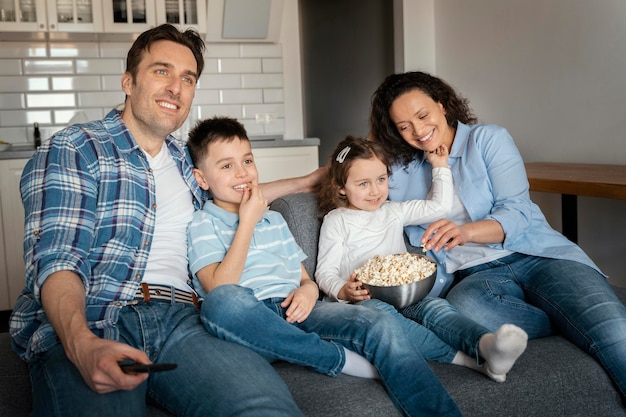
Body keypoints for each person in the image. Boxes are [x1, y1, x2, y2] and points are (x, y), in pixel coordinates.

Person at [9, 23, 323, 417]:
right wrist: (80, 342)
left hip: (186, 321)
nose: (176, 87)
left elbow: (234, 190)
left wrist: (305, 181)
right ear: (128, 81)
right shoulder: (76, 148)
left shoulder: (183, 159)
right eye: (161, 71)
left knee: (267, 409)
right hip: (99, 316)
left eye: (187, 78)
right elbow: (57, 258)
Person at [369, 70, 626, 403]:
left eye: (422, 115)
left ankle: (579, 311)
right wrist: (284, 186)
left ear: (443, 105)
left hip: (536, 254)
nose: (418, 131)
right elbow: (346, 170)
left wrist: (465, 232)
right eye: (403, 126)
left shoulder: (487, 139)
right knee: (465, 309)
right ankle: (568, 314)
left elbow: (517, 211)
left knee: (613, 332)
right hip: (476, 278)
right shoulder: (401, 168)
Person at [185, 116, 463, 417]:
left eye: (247, 161)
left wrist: (307, 291)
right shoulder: (203, 223)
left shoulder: (274, 219)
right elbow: (220, 288)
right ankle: (335, 358)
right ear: (202, 179)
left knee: (378, 320)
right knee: (223, 303)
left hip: (300, 309)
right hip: (251, 321)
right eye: (227, 166)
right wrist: (248, 221)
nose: (242, 173)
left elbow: (305, 279)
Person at [315, 135, 528, 383]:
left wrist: (439, 166)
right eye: (363, 184)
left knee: (436, 308)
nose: (375, 191)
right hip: (362, 303)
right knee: (386, 319)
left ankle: (488, 344)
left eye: (381, 179)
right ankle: (466, 359)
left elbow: (438, 207)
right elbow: (324, 272)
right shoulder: (337, 220)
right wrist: (343, 290)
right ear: (341, 187)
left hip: (404, 294)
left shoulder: (392, 211)